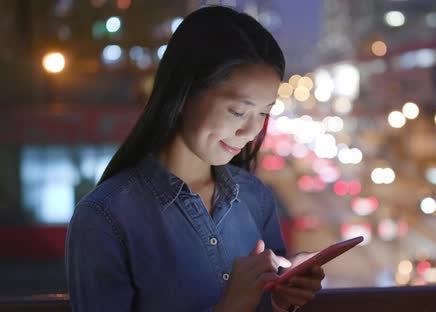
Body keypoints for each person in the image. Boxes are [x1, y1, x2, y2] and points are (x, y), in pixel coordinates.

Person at [66, 6, 324, 312]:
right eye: (238, 111)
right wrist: (230, 307)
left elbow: (267, 302)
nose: (251, 130)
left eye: (264, 112)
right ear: (185, 92)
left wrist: (283, 298)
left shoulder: (255, 198)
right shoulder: (105, 219)